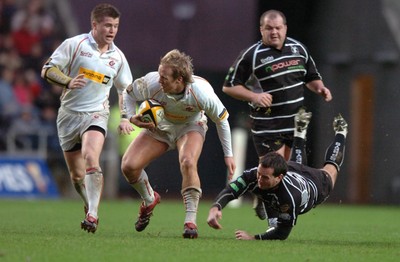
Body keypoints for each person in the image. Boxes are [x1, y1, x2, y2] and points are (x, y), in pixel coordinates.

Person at [222, 9, 333, 218]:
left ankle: (269, 201)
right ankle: (272, 216)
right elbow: (229, 86)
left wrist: (320, 88)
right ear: (261, 29)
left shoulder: (298, 49)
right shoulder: (252, 55)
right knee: (272, 168)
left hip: (294, 124)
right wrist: (254, 97)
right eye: (269, 28)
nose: (274, 32)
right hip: (267, 125)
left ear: (285, 28)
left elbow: (311, 76)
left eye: (278, 28)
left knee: (290, 172)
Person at [121, 49, 236, 239]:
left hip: (190, 126)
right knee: (129, 167)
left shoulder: (201, 92)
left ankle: (190, 221)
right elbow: (129, 94)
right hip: (160, 126)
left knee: (188, 161)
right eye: (159, 74)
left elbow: (222, 120)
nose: (159, 80)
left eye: (164, 77)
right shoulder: (151, 82)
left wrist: (228, 154)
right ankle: (149, 199)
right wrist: (130, 117)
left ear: (179, 80)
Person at [40, 3, 133, 233]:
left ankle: (92, 214)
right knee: (77, 175)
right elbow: (47, 70)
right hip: (69, 116)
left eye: (116, 26)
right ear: (95, 25)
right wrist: (68, 81)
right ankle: (88, 203)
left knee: (91, 157)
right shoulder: (75, 44)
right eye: (107, 25)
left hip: (96, 114)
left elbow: (125, 90)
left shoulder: (118, 57)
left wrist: (124, 117)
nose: (112, 30)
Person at [207, 109, 348, 240]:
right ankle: (299, 133)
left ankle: (341, 132)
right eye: (259, 174)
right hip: (292, 170)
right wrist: (216, 207)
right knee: (295, 163)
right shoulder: (255, 175)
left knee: (331, 168)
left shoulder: (290, 197)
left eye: (265, 177)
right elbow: (232, 190)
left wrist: (254, 238)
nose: (259, 180)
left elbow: (282, 233)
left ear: (279, 177)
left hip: (314, 184)